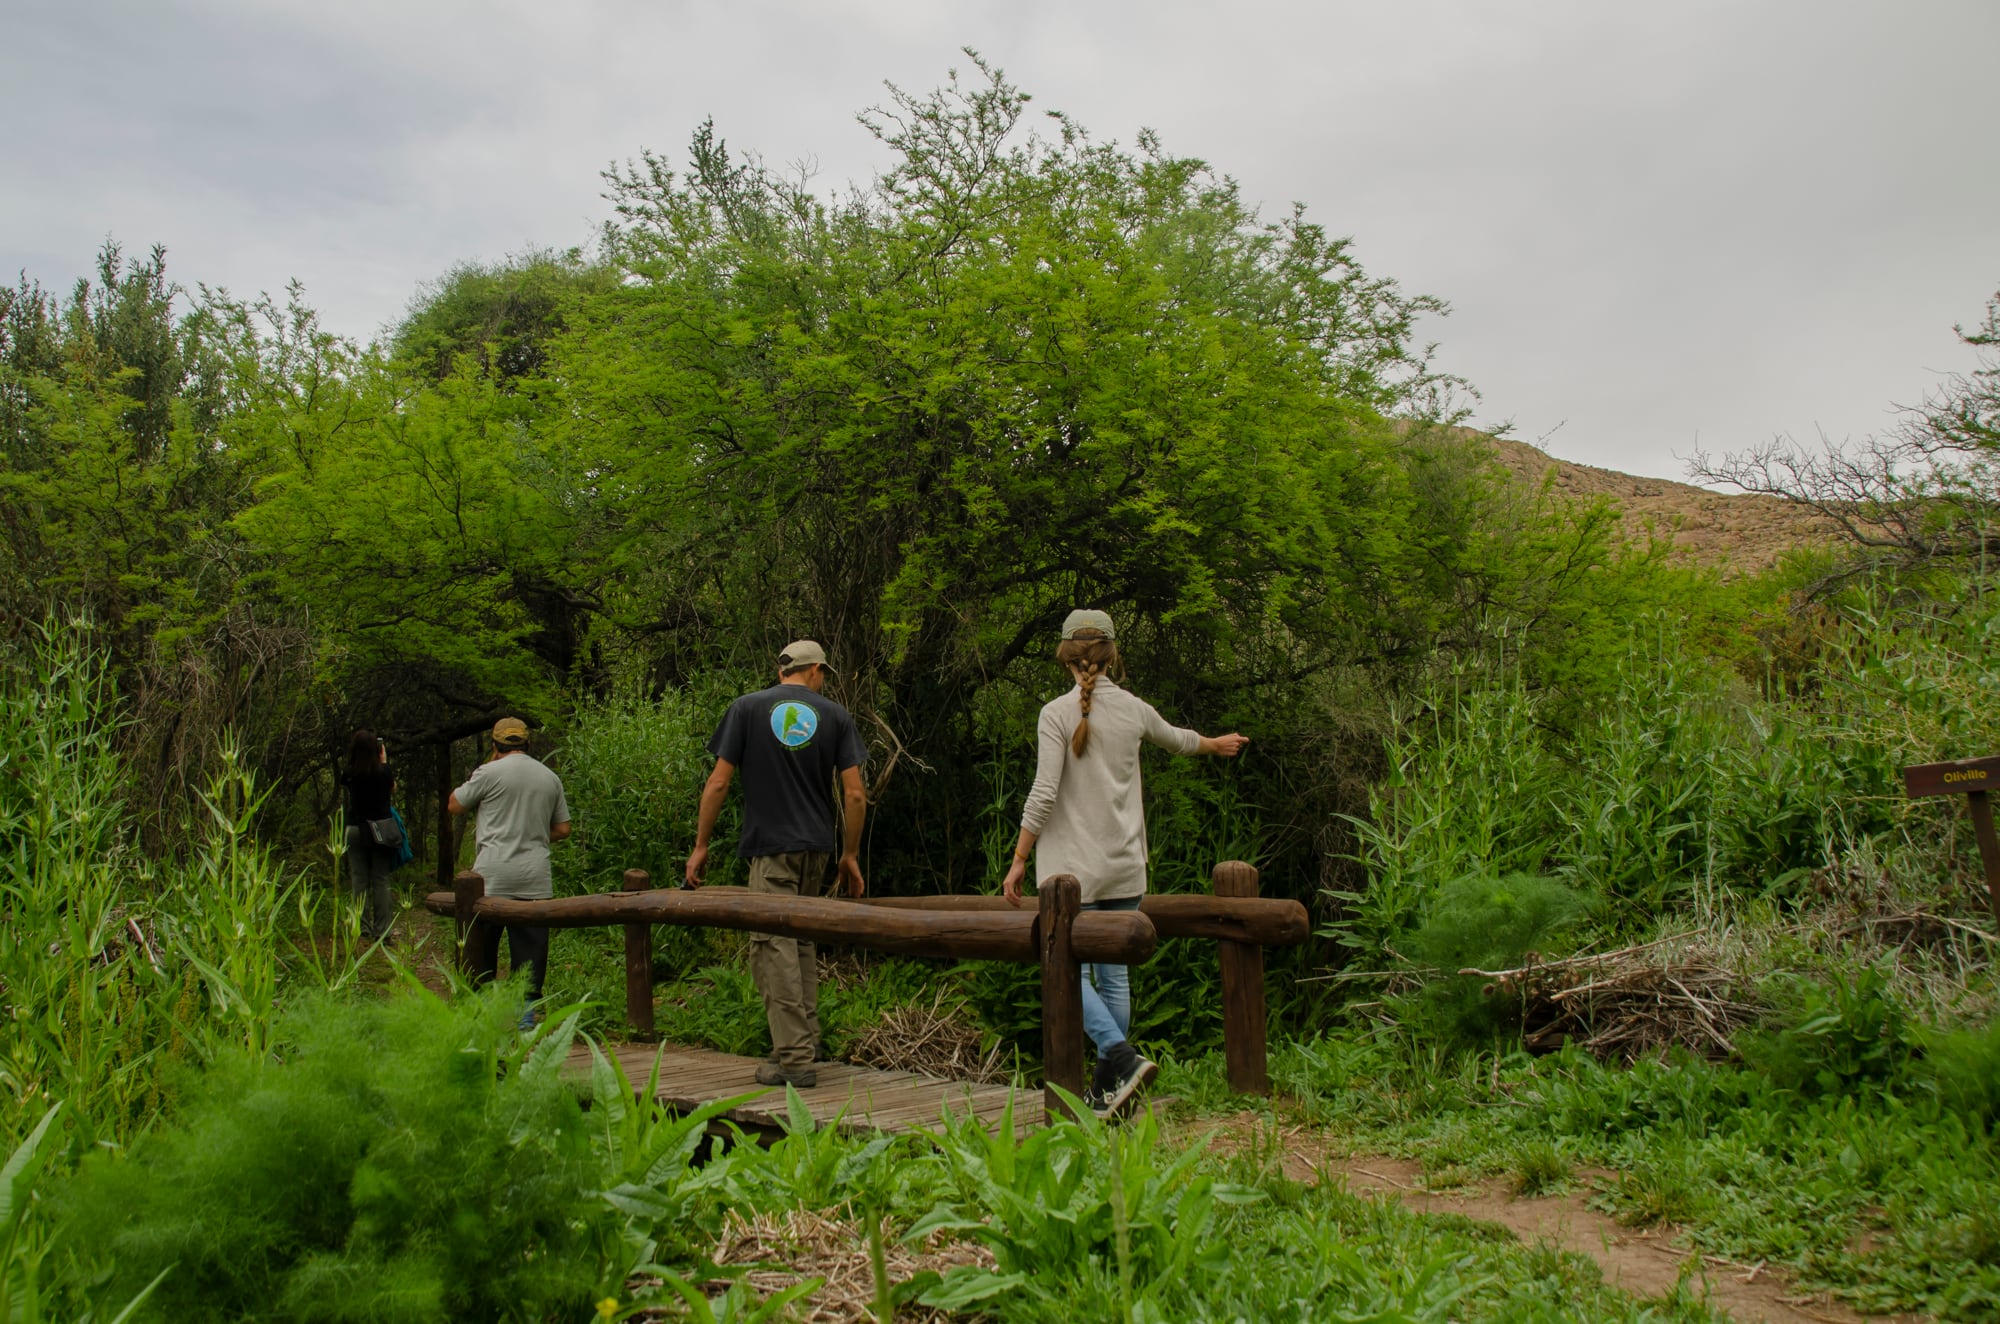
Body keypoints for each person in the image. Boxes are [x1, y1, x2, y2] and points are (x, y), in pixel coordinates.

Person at [1000, 610, 1248, 1118]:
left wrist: (1019, 857)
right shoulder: (1134, 709)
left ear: (1066, 656)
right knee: (1114, 978)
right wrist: (1215, 744)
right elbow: (1180, 740)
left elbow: (1044, 793)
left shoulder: (1056, 713)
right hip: (1125, 867)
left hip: (1072, 874)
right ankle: (1111, 1088)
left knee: (1063, 973)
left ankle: (1118, 1055)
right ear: (1111, 655)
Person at [687, 640, 868, 1089]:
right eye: (823, 673)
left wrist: (701, 844)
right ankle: (806, 1042)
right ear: (813, 671)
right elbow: (855, 794)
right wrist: (849, 854)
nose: (823, 681)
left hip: (770, 847)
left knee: (773, 945)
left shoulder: (745, 709)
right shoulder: (835, 716)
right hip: (816, 848)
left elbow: (718, 782)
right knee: (800, 940)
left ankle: (793, 1059)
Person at [448, 716, 572, 1026]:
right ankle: (525, 1019)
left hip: (492, 876)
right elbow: (563, 828)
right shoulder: (549, 777)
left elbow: (454, 804)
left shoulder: (488, 773)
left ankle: (485, 1015)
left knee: (482, 949)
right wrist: (534, 834)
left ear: (495, 745)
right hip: (534, 877)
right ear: (528, 744)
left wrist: (489, 765)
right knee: (530, 953)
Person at [338, 728, 401, 942]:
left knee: (359, 880)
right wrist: (383, 761)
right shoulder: (383, 772)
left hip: (355, 829)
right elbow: (393, 788)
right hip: (380, 830)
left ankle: (361, 928)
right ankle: (383, 930)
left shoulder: (349, 773)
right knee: (381, 880)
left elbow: (347, 781)